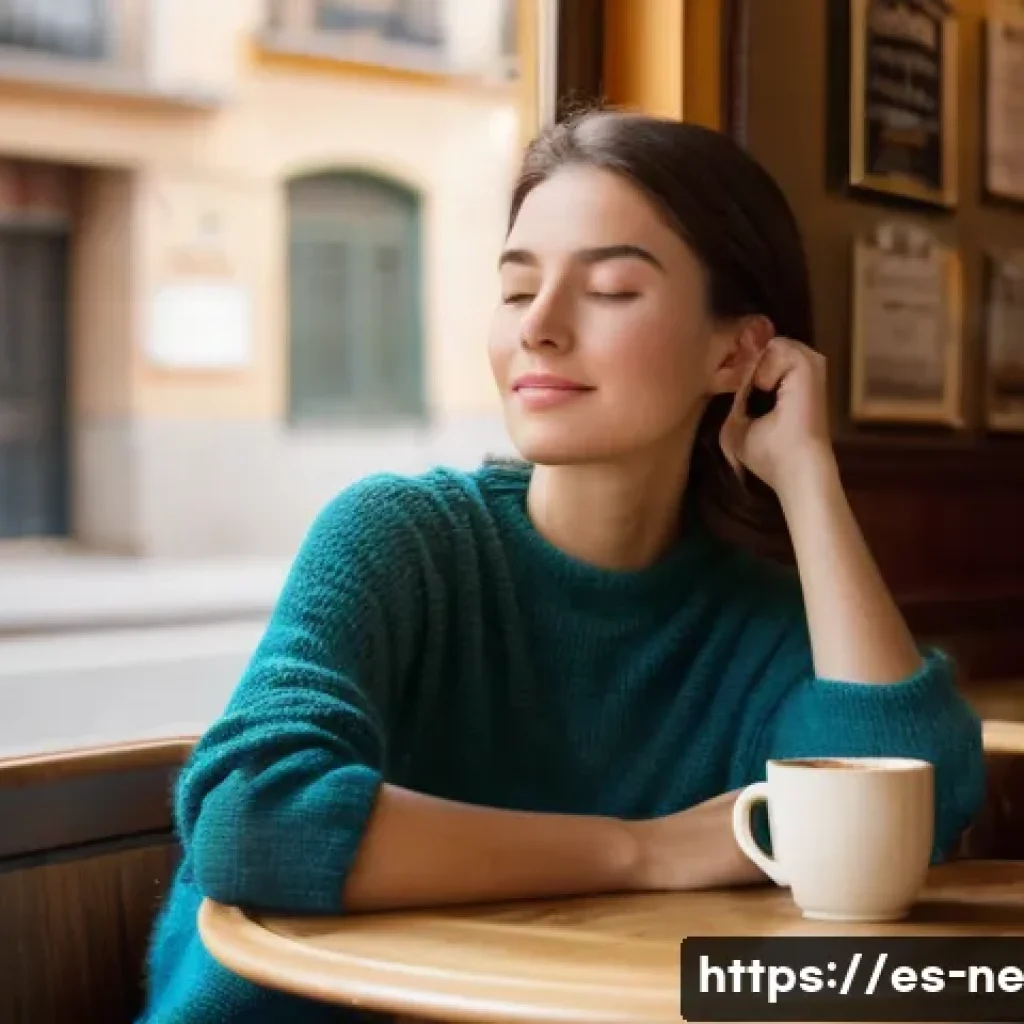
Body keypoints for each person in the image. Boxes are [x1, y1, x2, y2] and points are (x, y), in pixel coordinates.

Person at [137, 110, 985, 1023]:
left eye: (611, 289)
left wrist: (808, 480)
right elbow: (253, 818)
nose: (538, 328)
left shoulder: (771, 623)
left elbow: (905, 822)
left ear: (736, 351)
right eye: (515, 289)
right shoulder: (398, 538)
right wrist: (642, 850)